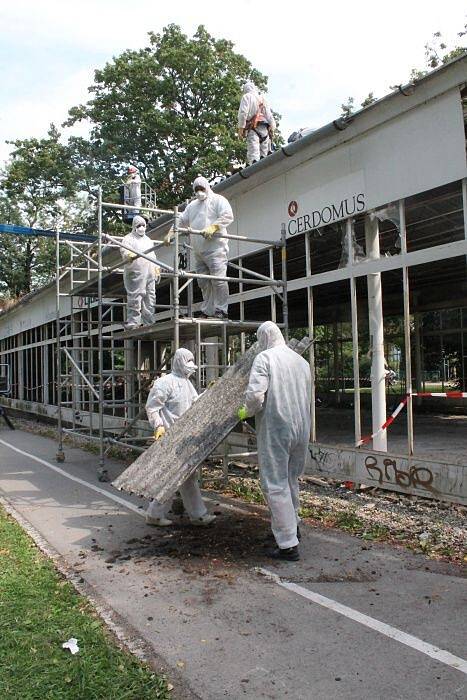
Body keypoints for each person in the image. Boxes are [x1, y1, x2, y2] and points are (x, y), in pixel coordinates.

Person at [237, 322, 311, 561]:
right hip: (301, 428)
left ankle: (288, 545)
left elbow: (256, 396)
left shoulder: (265, 358)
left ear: (264, 338)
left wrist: (245, 412)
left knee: (275, 482)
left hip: (277, 427)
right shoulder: (302, 362)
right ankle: (293, 526)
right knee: (290, 479)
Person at [145, 348, 216, 527]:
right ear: (179, 362)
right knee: (173, 477)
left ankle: (195, 514)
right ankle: (157, 514)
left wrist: (209, 392)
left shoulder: (186, 383)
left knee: (186, 477)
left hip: (184, 437)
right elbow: (152, 407)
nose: (191, 367)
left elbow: (194, 404)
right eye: (188, 363)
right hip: (169, 436)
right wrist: (159, 426)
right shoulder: (164, 382)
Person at [167, 176, 234, 319]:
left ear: (207, 187)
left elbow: (228, 215)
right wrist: (171, 232)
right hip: (199, 251)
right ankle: (208, 310)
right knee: (203, 282)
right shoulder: (192, 206)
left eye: (201, 189)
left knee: (219, 280)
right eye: (196, 190)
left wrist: (214, 226)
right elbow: (181, 220)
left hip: (216, 249)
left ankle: (221, 309)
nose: (199, 192)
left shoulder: (218, 200)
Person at [120, 216, 160, 329]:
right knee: (135, 297)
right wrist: (129, 255)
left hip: (149, 272)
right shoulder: (128, 239)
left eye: (143, 225)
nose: (141, 228)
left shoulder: (148, 240)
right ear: (134, 226)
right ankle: (133, 322)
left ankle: (149, 321)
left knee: (150, 297)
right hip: (136, 273)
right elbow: (124, 250)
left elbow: (153, 256)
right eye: (138, 226)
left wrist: (156, 268)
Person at [237, 81, 276, 165]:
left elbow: (243, 113)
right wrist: (272, 127)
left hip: (253, 128)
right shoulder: (262, 98)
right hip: (264, 128)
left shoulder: (246, 97)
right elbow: (269, 115)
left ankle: (254, 168)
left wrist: (241, 128)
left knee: (253, 154)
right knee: (264, 155)